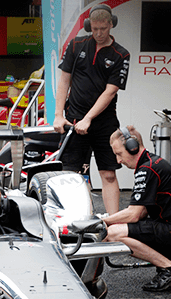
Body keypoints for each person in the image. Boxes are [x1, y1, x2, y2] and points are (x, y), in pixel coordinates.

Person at [103, 126, 171, 291]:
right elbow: (142, 211)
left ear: (133, 147)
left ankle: (170, 269)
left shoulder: (147, 169)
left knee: (112, 233)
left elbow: (134, 215)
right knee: (119, 227)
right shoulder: (151, 163)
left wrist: (101, 222)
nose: (118, 160)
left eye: (119, 154)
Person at [53, 5, 130, 216]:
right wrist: (58, 115)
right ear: (89, 26)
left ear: (111, 25)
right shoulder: (76, 45)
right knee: (71, 175)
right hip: (73, 120)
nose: (98, 33)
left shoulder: (121, 54)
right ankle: (71, 220)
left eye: (103, 28)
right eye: (94, 29)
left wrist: (88, 119)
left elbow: (110, 91)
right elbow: (64, 80)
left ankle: (113, 223)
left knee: (108, 174)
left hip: (104, 124)